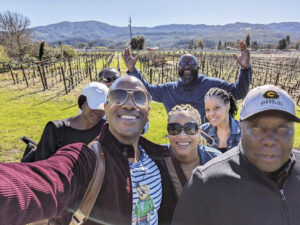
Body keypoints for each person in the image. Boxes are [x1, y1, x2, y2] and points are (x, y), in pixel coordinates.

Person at [0, 76, 177, 225]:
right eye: (118, 96)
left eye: (139, 98)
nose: (129, 104)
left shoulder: (160, 161)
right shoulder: (87, 160)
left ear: (148, 112)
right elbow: (40, 183)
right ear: (106, 109)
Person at [172, 84, 300, 225]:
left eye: (282, 127)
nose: (269, 140)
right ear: (241, 127)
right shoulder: (206, 183)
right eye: (256, 127)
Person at [123, 41, 252, 122]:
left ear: (198, 68)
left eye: (191, 64)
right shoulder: (168, 90)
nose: (187, 67)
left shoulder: (212, 85)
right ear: (178, 69)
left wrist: (245, 69)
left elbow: (239, 92)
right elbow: (147, 91)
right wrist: (132, 70)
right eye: (183, 65)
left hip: (208, 142)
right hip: (179, 141)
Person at [25, 82, 108, 161]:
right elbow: (41, 164)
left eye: (102, 108)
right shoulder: (56, 130)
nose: (98, 111)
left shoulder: (107, 129)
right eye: (94, 106)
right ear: (82, 102)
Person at [165, 104, 220, 202]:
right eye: (174, 128)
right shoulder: (156, 160)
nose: (182, 136)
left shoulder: (216, 160)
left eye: (190, 128)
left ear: (200, 132)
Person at [200, 88, 240, 152]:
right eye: (207, 110)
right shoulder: (202, 132)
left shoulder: (243, 131)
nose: (211, 114)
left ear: (227, 106)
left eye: (216, 108)